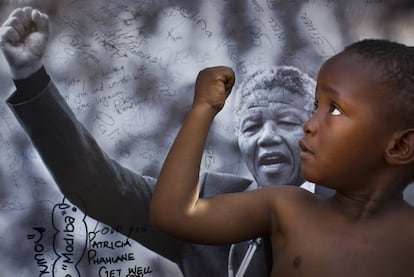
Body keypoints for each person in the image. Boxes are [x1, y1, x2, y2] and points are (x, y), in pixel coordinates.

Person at [0, 7, 330, 276]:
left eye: (287, 122)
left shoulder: (364, 206)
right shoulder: (201, 208)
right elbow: (96, 185)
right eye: (252, 126)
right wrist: (30, 77)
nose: (267, 136)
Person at [150, 39, 414, 276]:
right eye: (315, 107)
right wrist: (203, 108)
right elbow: (175, 215)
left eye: (333, 109)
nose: (308, 124)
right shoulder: (288, 208)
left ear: (400, 147)